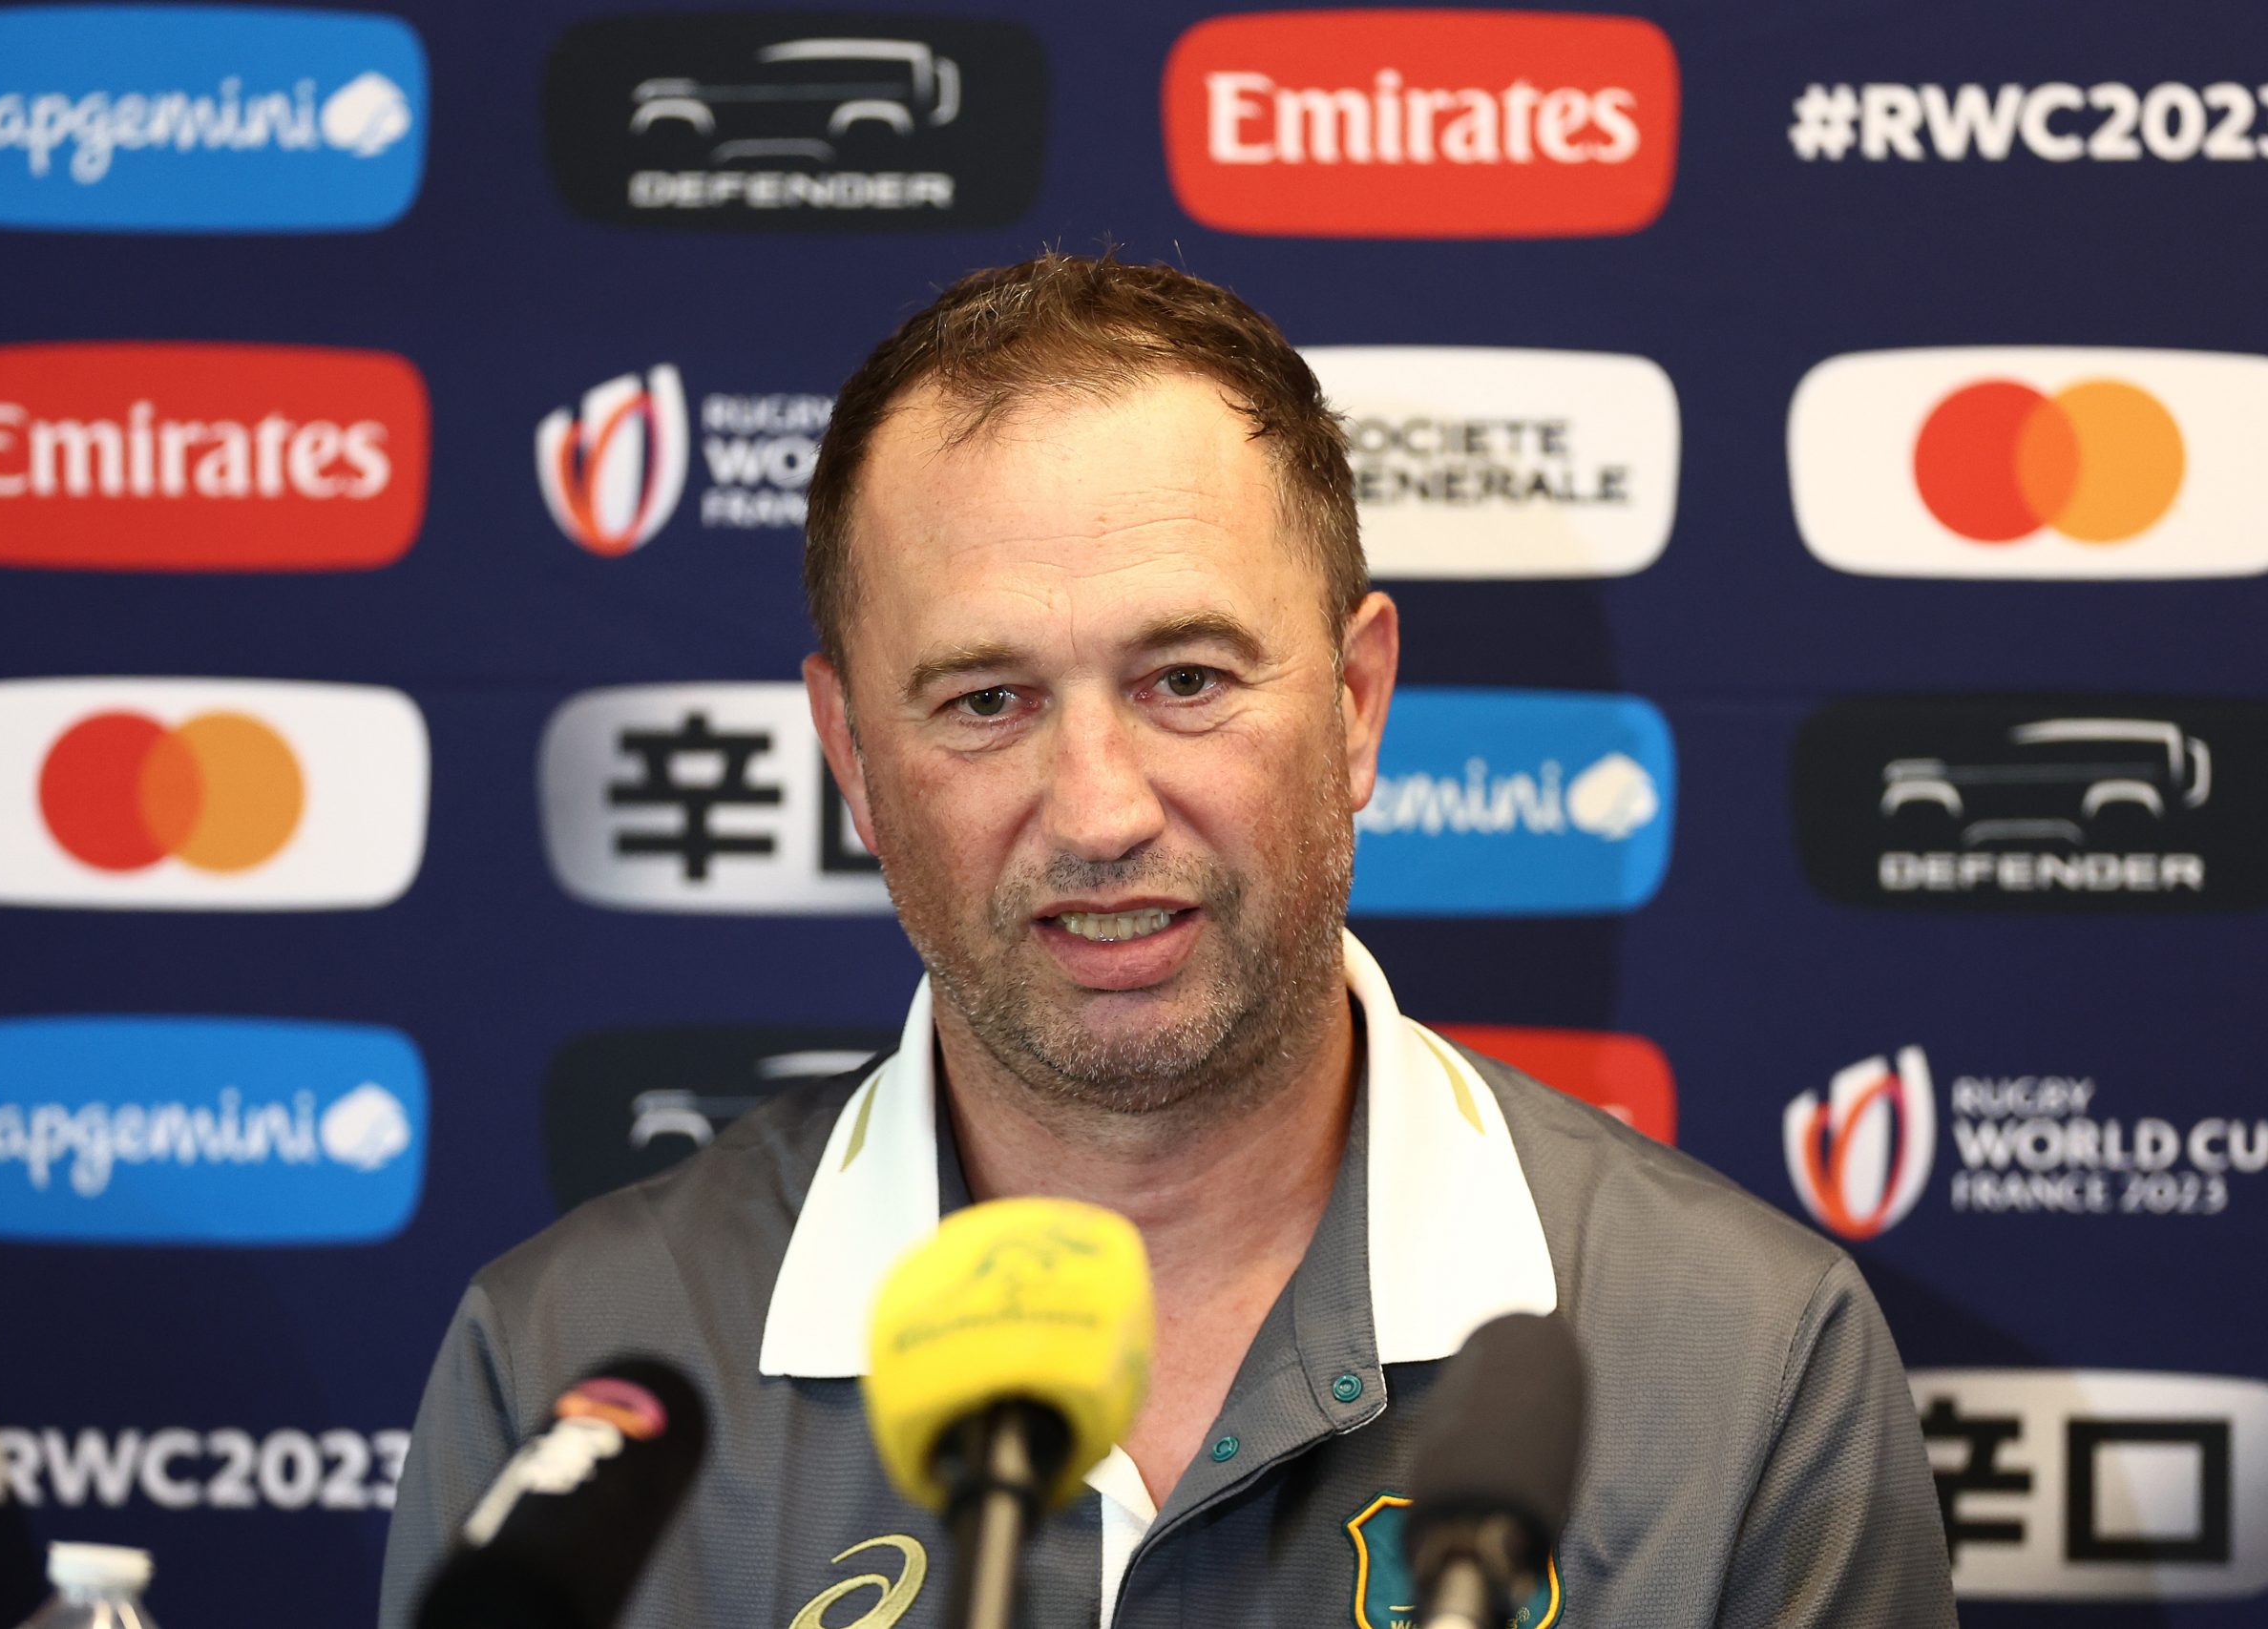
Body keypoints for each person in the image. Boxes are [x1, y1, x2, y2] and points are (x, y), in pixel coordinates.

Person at [381, 253, 1957, 1629]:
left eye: (1186, 679)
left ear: (1354, 706)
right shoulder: (574, 1368)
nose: (1097, 810)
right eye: (986, 701)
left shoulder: (1745, 1366)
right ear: (851, 757)